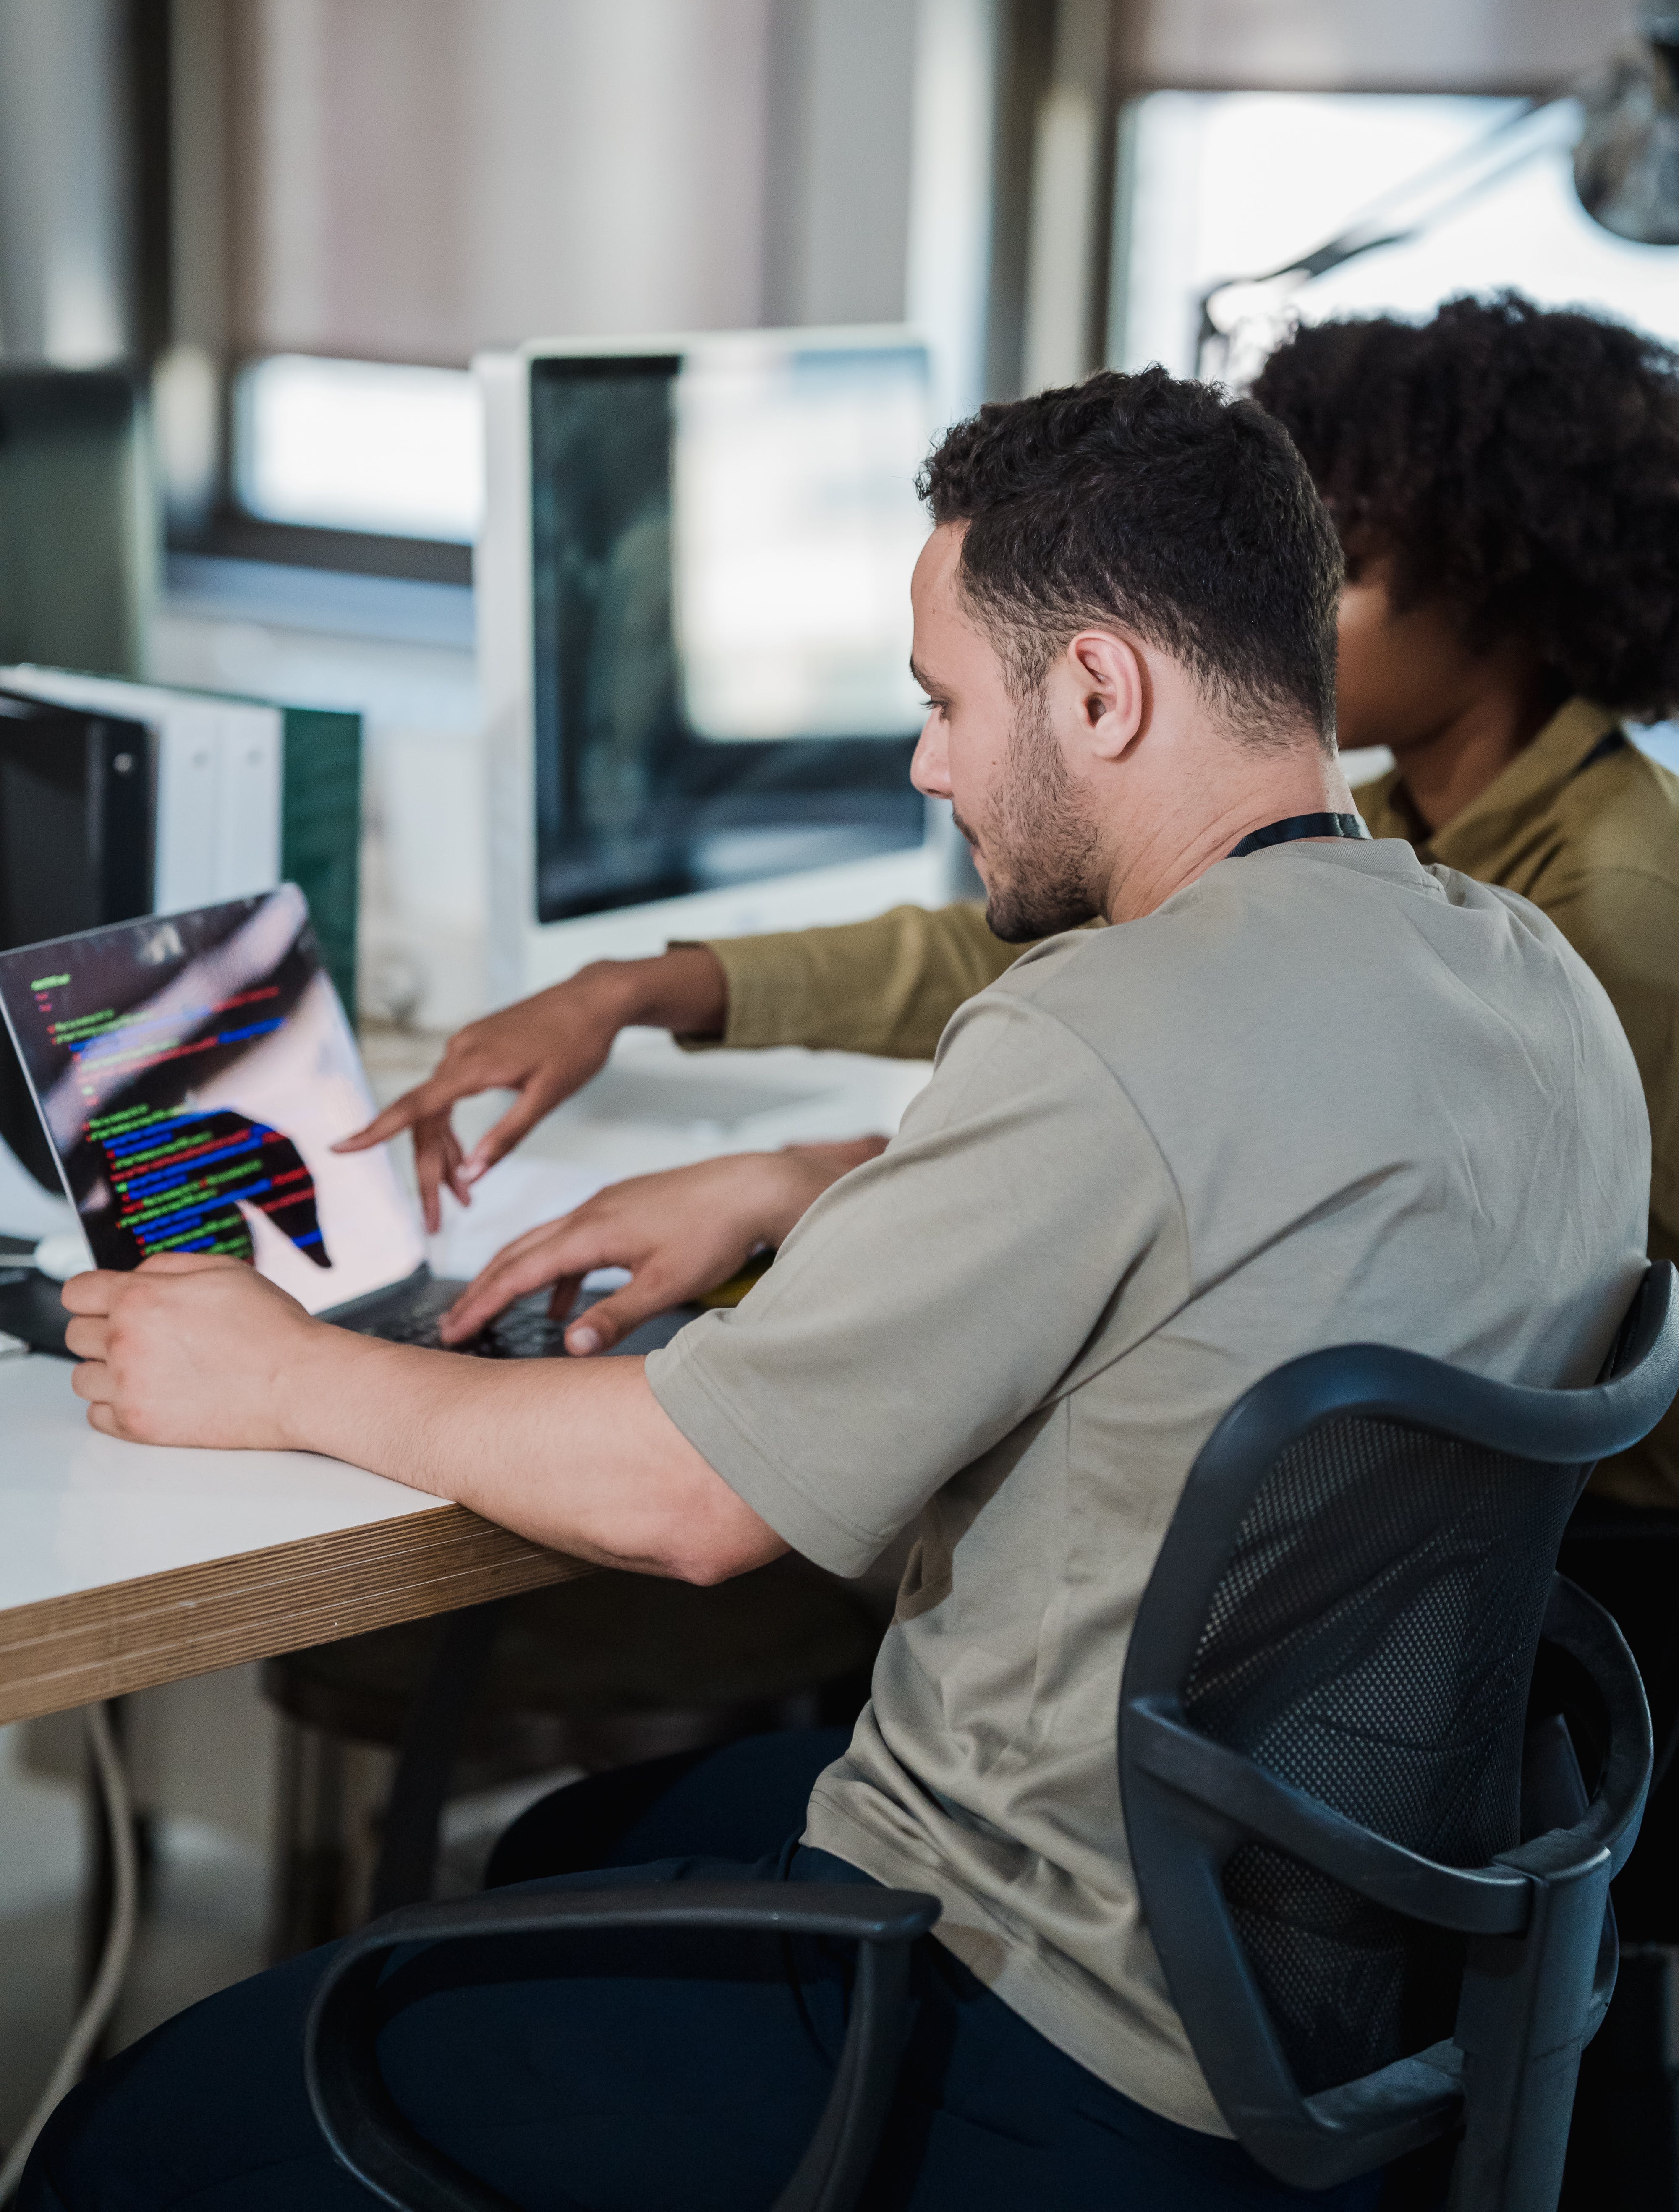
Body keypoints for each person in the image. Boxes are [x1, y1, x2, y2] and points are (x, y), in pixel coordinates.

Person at [31, 368, 1648, 2212]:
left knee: (139, 2147)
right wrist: (811, 1187)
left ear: (1103, 688)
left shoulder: (1103, 1027)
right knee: (575, 1839)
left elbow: (692, 1499)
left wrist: (283, 1376)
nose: (928, 764)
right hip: (1345, 1991)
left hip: (1024, 2014)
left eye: (945, 702)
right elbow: (1253, 1226)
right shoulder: (1528, 983)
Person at [362, 299, 1679, 1504]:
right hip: (1386, 1694)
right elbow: (1129, 1031)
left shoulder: (1606, 907)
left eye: (945, 706)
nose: (1290, 620)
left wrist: (289, 1377)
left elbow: (1295, 1196)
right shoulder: (1448, 893)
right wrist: (652, 992)